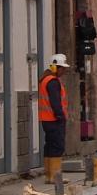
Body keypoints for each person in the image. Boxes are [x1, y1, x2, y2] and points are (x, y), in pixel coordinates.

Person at [39, 53, 70, 184]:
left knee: (50, 146)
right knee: (57, 147)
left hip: (46, 119)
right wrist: (60, 116)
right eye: (62, 68)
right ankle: (55, 177)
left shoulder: (45, 79)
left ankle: (49, 176)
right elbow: (55, 101)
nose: (64, 71)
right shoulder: (53, 82)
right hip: (54, 119)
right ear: (56, 67)